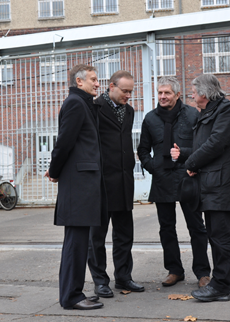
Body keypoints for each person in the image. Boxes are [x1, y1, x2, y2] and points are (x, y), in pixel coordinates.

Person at [174, 74, 230, 302]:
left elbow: (215, 144)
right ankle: (227, 281)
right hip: (210, 183)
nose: (191, 95)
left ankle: (220, 286)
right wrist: (186, 154)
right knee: (216, 235)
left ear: (204, 93)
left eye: (193, 91)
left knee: (220, 236)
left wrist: (191, 163)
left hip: (219, 184)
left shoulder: (227, 110)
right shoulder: (208, 113)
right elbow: (202, 146)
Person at [137, 76, 211, 288]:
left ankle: (203, 273)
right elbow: (142, 149)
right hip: (162, 180)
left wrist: (192, 164)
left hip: (188, 177)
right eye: (160, 92)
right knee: (166, 228)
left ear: (178, 95)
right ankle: (175, 270)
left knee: (196, 227)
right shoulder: (150, 119)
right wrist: (153, 166)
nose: (162, 96)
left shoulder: (192, 115)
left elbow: (203, 145)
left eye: (167, 93)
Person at [44, 64, 104, 310]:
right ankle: (70, 297)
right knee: (75, 242)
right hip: (78, 183)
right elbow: (64, 142)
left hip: (83, 182)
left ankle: (75, 292)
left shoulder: (83, 103)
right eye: (93, 79)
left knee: (79, 241)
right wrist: (55, 171)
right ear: (79, 82)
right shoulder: (75, 104)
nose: (97, 83)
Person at [88, 70, 145, 298]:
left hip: (124, 181)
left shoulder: (129, 111)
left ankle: (124, 277)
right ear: (111, 86)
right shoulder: (95, 108)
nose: (128, 95)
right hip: (101, 182)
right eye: (124, 91)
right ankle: (100, 281)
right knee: (97, 237)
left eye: (131, 91)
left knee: (124, 234)